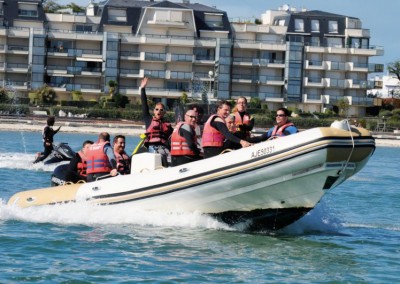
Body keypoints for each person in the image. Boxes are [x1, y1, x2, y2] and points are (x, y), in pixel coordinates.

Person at [140, 77, 173, 166]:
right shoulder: (149, 120)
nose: (159, 111)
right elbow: (144, 104)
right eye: (157, 109)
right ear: (154, 111)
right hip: (152, 148)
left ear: (164, 112)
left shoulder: (168, 125)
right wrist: (142, 89)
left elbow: (173, 138)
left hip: (165, 149)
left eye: (161, 110)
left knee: (170, 165)